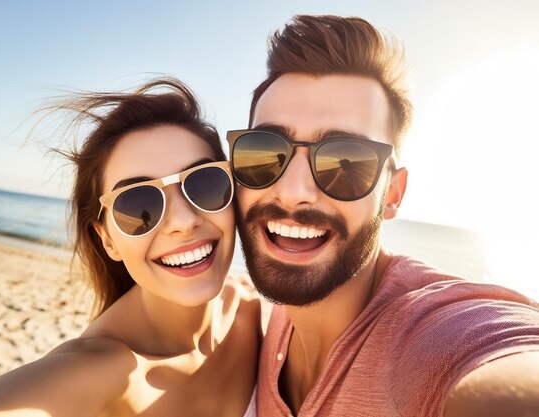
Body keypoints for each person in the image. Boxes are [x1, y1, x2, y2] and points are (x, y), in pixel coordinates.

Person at [229, 15, 539, 416]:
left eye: (346, 161)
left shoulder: (433, 333)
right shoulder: (256, 321)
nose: (292, 191)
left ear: (392, 194)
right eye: (264, 152)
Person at [0, 79, 261, 417]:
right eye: (138, 203)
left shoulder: (255, 311)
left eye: (204, 183)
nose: (183, 221)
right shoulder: (97, 369)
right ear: (108, 239)